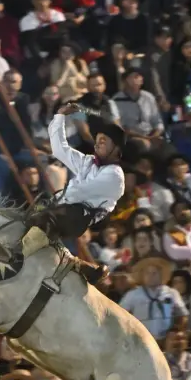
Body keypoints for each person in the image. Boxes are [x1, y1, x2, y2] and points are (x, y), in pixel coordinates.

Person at [17, 102, 126, 283]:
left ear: (116, 149)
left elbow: (79, 192)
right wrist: (60, 116)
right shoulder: (88, 162)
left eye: (103, 142)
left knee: (47, 218)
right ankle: (77, 265)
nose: (97, 144)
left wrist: (56, 199)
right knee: (31, 220)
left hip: (81, 215)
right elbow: (60, 150)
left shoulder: (115, 176)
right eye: (97, 140)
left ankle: (17, 257)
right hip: (66, 207)